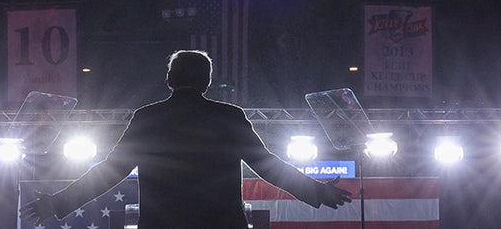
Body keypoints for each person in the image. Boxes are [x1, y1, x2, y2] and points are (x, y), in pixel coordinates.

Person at [20, 50, 352, 229]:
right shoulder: (228, 116)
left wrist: (58, 202)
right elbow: (268, 166)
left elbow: (110, 171)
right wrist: (317, 190)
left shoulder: (148, 118)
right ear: (207, 82)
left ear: (168, 79)